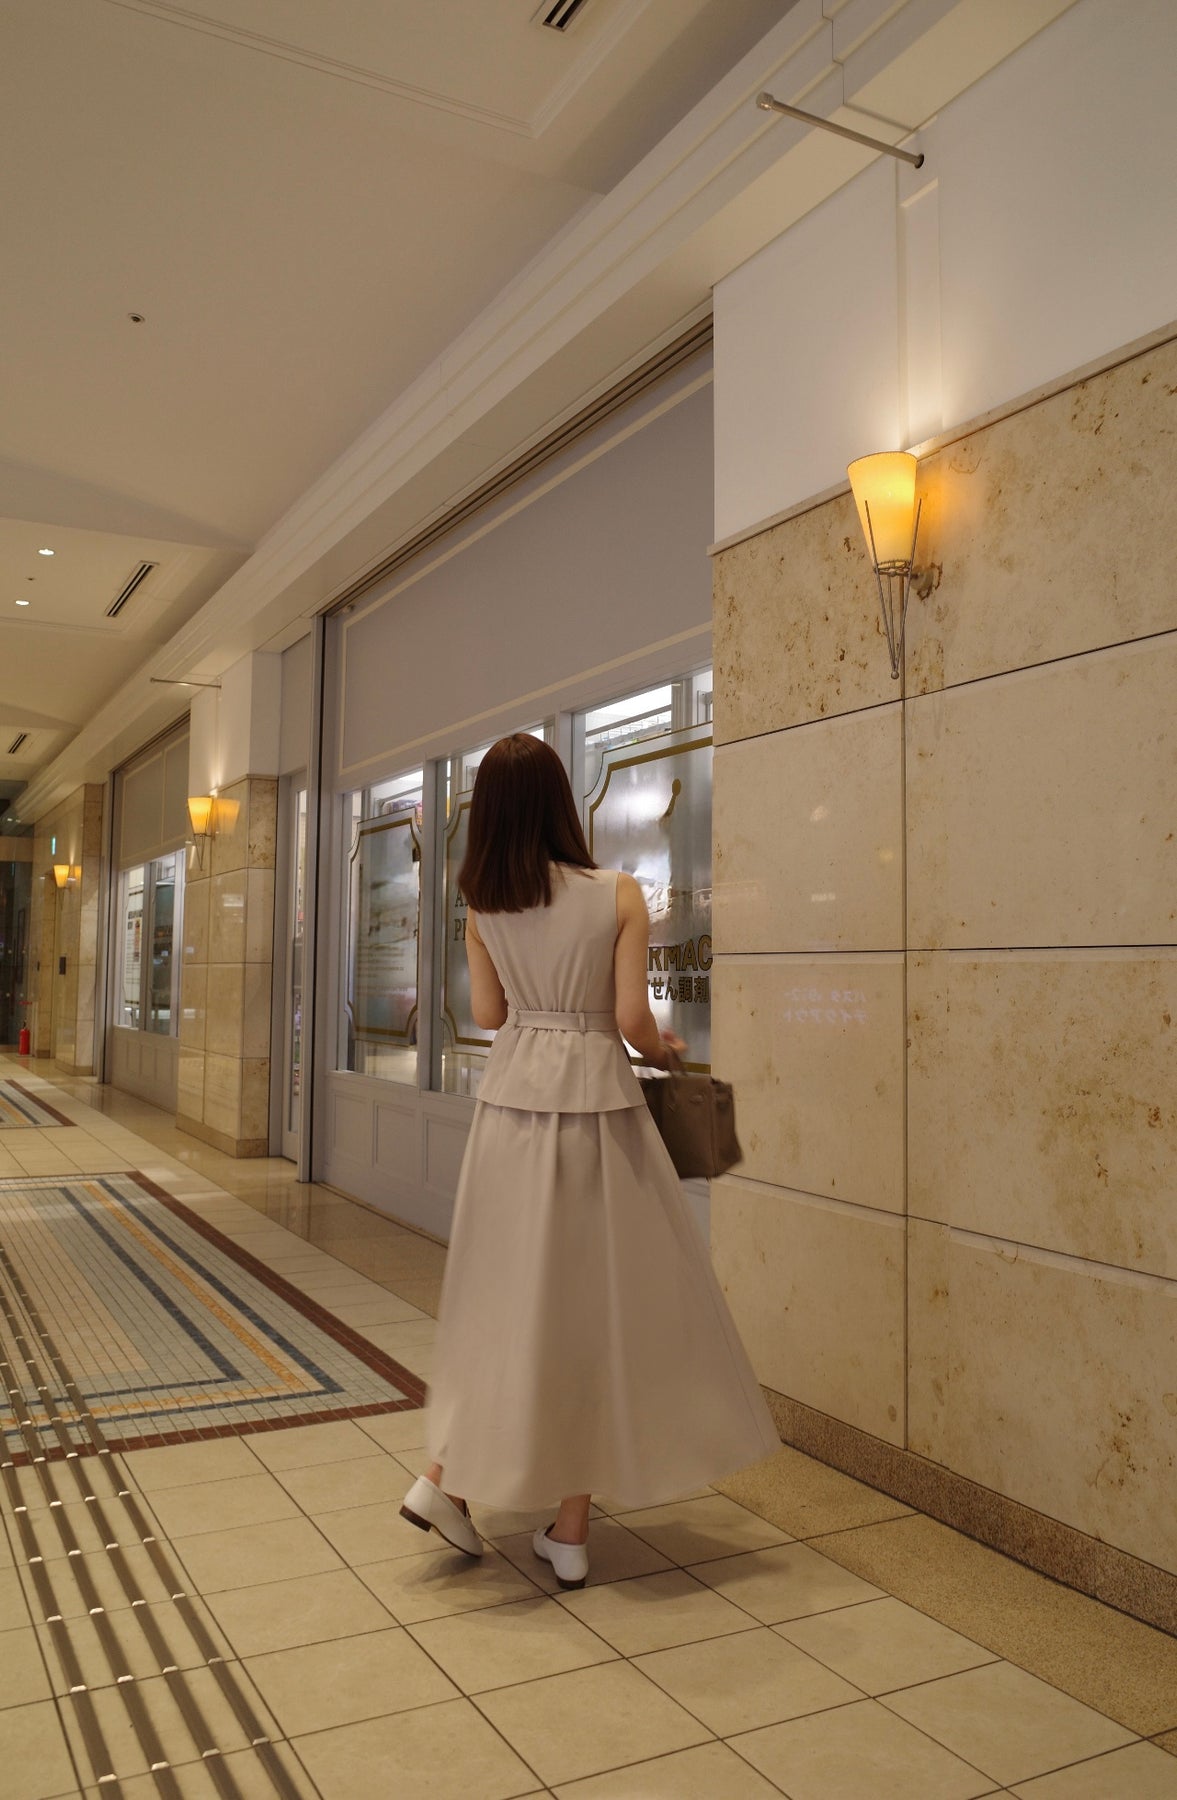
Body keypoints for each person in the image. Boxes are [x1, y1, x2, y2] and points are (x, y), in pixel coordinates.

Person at [400, 734, 779, 1588]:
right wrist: (664, 1048)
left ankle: (447, 1476)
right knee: (595, 1307)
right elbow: (631, 1021)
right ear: (561, 802)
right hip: (596, 1112)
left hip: (510, 1111)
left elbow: (490, 1014)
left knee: (508, 1301)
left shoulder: (481, 905)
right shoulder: (616, 893)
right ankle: (567, 1531)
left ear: (490, 815)